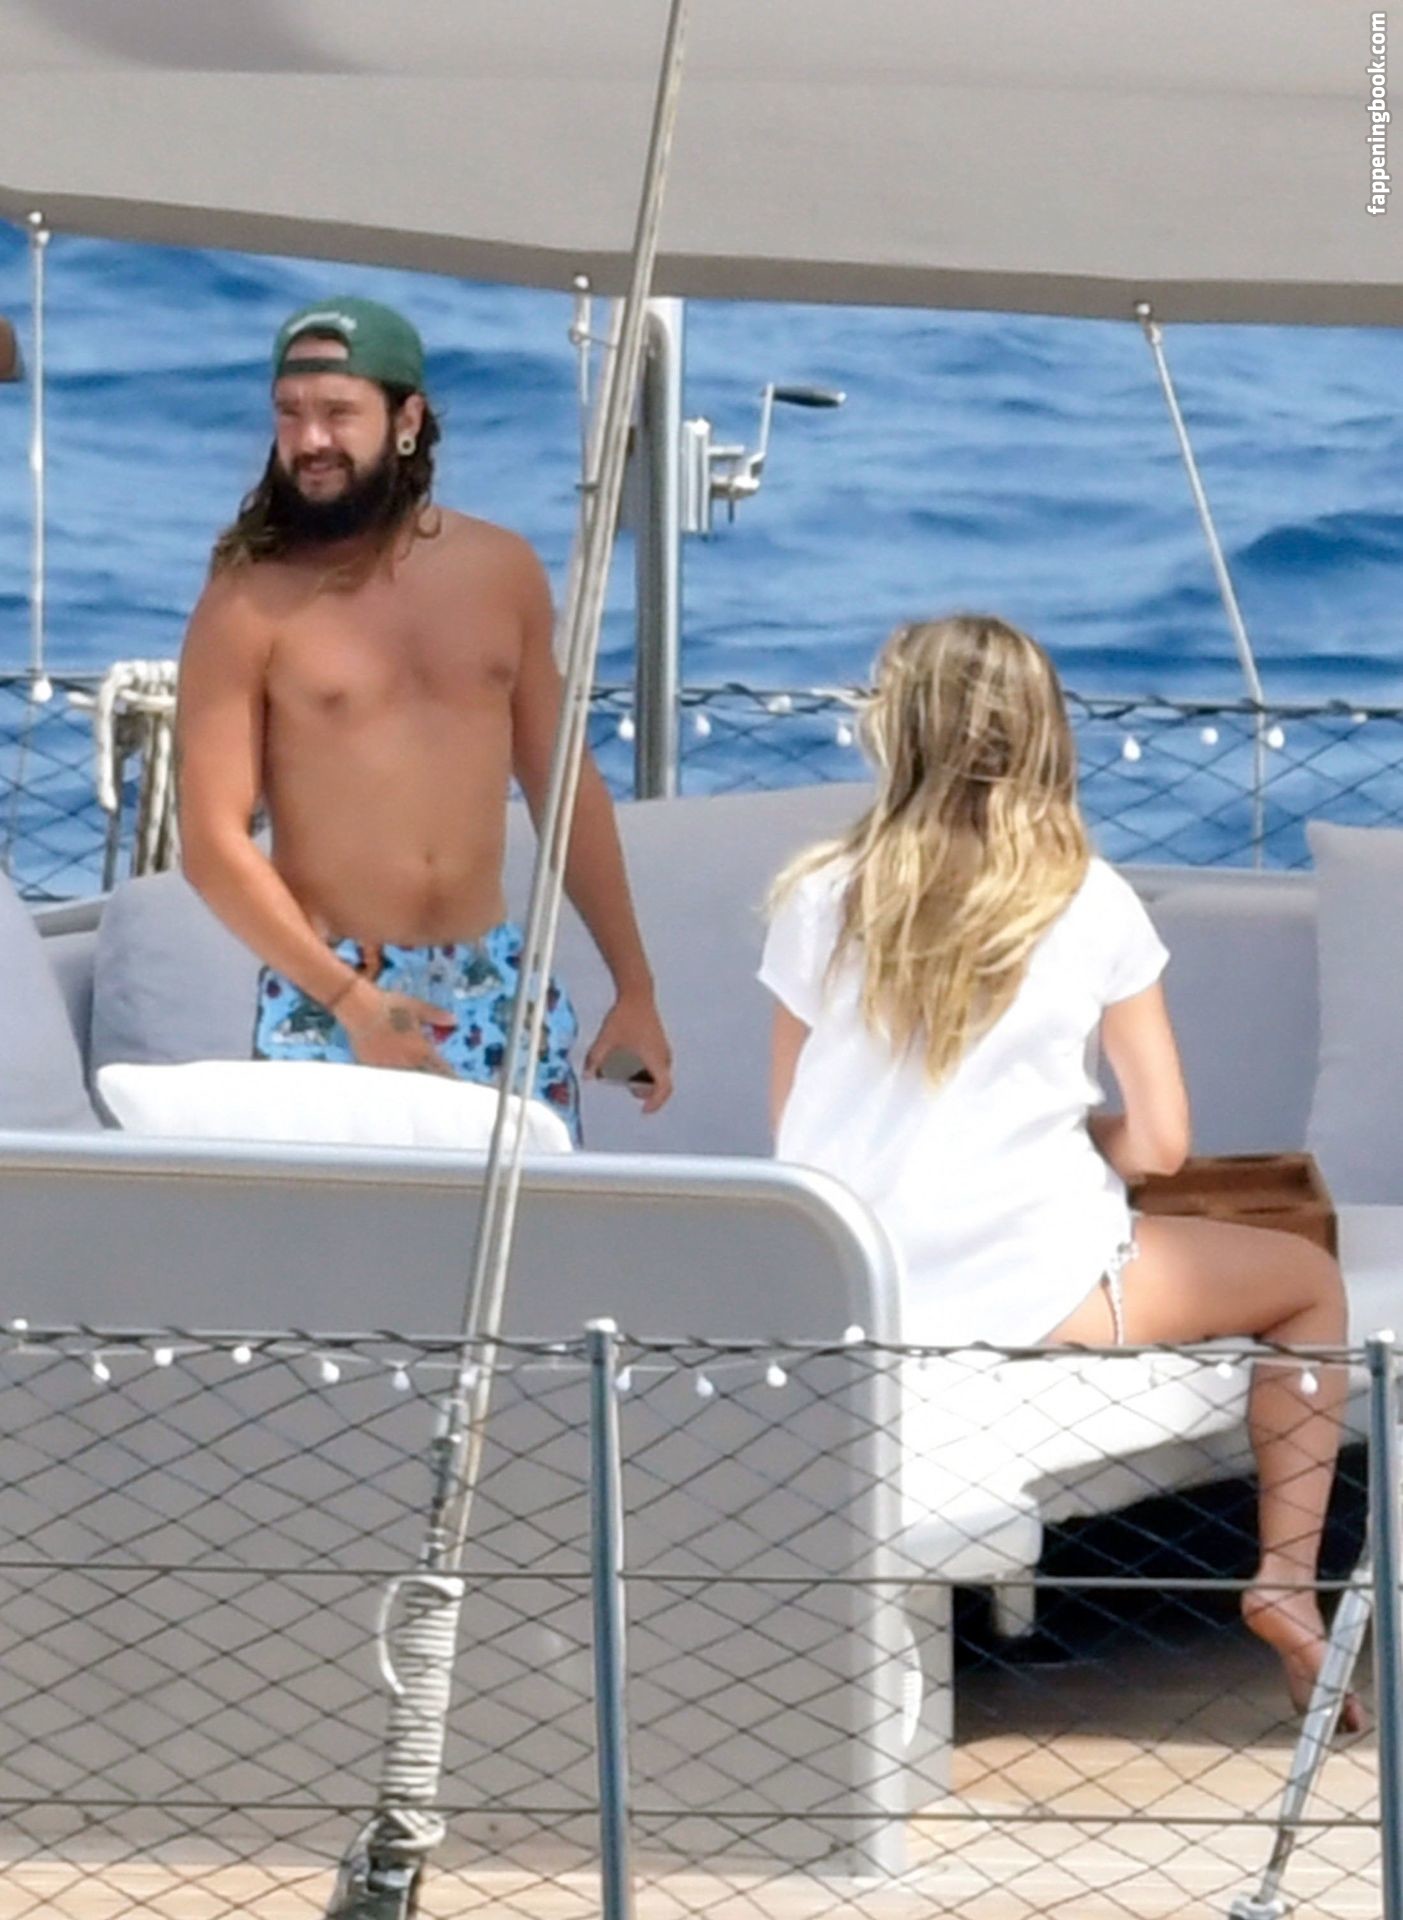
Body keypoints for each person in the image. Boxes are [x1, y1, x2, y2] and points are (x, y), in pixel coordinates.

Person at [760, 612, 1360, 1730]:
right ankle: (1284, 1577)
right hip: (1036, 1289)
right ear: (1044, 734)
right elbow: (1162, 1142)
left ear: (897, 730)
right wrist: (1085, 1141)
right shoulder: (1086, 898)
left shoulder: (817, 895)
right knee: (1306, 1286)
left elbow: (795, 1129)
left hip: (852, 1280)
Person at [176, 296, 672, 1141]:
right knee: (349, 1229)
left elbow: (562, 787)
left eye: (338, 413)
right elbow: (210, 843)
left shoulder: (501, 571)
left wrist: (635, 988)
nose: (309, 440)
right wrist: (352, 1003)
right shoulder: (246, 602)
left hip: (493, 981)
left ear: (406, 420)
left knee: (531, 1226)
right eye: (289, 414)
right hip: (333, 990)